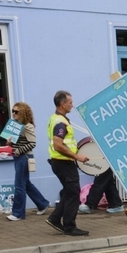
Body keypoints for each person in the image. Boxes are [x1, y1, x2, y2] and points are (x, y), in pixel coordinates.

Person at [45, 90, 90, 236]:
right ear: (62, 104)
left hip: (59, 162)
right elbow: (58, 145)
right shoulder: (60, 122)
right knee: (73, 193)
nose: (72, 105)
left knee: (69, 191)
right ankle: (70, 226)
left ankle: (55, 218)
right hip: (63, 162)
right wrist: (77, 157)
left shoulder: (55, 118)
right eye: (70, 102)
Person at [6, 102, 50, 221]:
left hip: (23, 157)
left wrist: (19, 150)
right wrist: (11, 142)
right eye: (13, 111)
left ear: (23, 113)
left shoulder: (28, 126)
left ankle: (18, 213)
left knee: (19, 185)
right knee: (26, 183)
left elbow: (32, 143)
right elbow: (18, 141)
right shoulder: (17, 125)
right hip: (17, 156)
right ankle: (42, 203)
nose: (14, 114)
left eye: (16, 112)